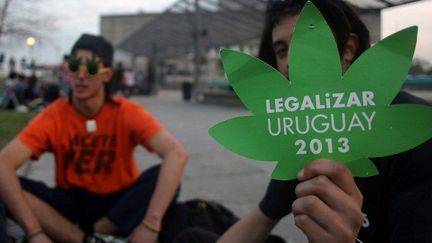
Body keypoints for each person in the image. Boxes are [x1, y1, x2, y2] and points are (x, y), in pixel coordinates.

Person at [175, 0, 432, 242]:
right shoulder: (301, 138)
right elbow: (260, 219)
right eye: (282, 50)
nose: (291, 61)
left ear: (349, 49)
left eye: (306, 42)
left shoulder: (415, 132)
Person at [0, 34, 188, 243]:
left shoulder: (126, 112)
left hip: (119, 204)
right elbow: (3, 163)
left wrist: (151, 225)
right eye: (74, 67)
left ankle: (100, 231)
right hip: (72, 201)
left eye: (90, 69)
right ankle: (87, 239)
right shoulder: (55, 115)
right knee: (7, 185)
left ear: (107, 75)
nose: (80, 76)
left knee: (167, 177)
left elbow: (176, 153)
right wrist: (35, 233)